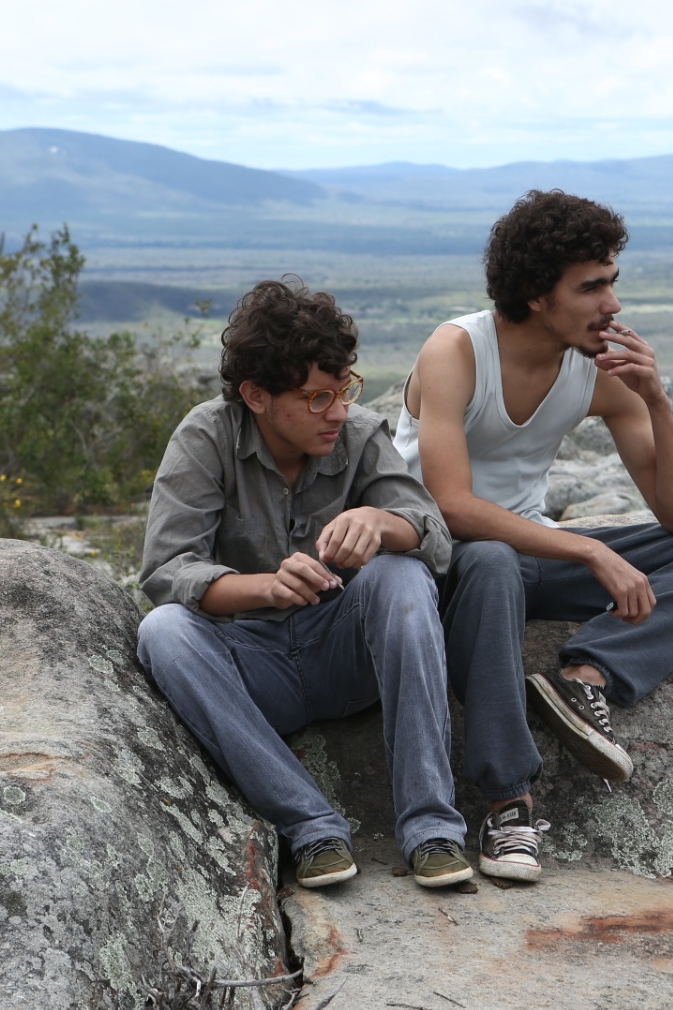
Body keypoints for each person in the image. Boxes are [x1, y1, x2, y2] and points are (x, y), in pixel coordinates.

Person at [394, 189, 673, 883]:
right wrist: (591, 548)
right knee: (496, 556)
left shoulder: (596, 369)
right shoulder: (456, 349)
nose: (612, 304)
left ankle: (587, 674)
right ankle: (509, 803)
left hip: (528, 557)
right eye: (591, 286)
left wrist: (656, 399)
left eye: (613, 281)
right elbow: (450, 506)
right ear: (536, 294)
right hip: (442, 566)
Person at [136, 277, 473, 891]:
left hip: (348, 656)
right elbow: (167, 571)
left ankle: (432, 829)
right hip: (253, 662)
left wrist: (380, 521)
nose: (338, 410)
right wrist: (263, 586)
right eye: (317, 398)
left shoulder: (360, 435)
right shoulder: (207, 435)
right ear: (256, 396)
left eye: (344, 389)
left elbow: (434, 534)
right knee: (164, 632)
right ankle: (311, 827)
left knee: (401, 573)